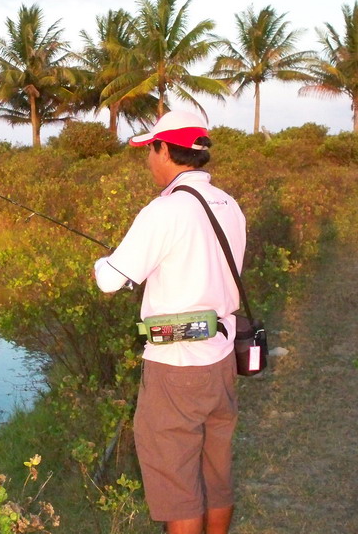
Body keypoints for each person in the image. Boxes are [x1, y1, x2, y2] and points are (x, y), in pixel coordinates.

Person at [94, 110, 246, 534]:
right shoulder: (230, 205)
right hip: (221, 359)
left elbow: (110, 280)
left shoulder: (164, 211)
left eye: (151, 150)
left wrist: (103, 261)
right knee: (215, 476)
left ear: (164, 150)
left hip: (176, 366)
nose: (148, 161)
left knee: (177, 484)